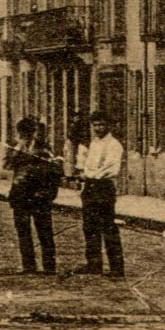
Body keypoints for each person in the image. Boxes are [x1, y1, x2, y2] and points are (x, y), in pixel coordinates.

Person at [5, 116, 61, 275]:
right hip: (20, 195)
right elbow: (7, 165)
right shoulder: (15, 147)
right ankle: (28, 266)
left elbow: (55, 169)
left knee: (44, 230)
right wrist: (17, 148)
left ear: (33, 133)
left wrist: (48, 193)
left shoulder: (43, 147)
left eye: (28, 133)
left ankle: (49, 266)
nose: (26, 136)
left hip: (39, 195)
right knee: (23, 231)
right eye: (23, 133)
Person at [73, 111, 125, 278]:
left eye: (101, 125)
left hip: (103, 188)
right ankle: (93, 264)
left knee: (108, 227)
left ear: (108, 125)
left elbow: (109, 169)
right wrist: (85, 173)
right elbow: (86, 164)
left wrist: (88, 174)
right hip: (90, 188)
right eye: (95, 125)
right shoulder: (93, 143)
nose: (98, 128)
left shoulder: (114, 145)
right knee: (89, 227)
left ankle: (117, 267)